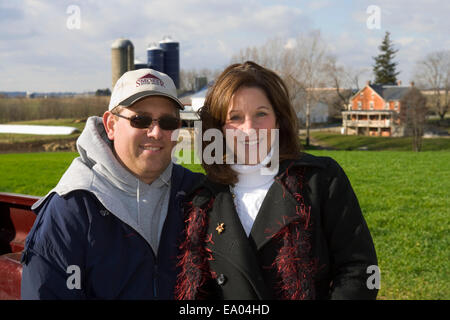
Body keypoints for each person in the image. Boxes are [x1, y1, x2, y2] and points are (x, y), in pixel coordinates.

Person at [175, 61, 378, 300]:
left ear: (278, 120)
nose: (249, 128)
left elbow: (359, 270)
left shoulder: (321, 179)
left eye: (261, 114)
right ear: (219, 128)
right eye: (236, 118)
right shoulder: (203, 198)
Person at [21, 68, 203, 299]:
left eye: (168, 121)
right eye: (141, 119)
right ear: (111, 125)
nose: (156, 132)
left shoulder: (196, 193)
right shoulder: (72, 208)